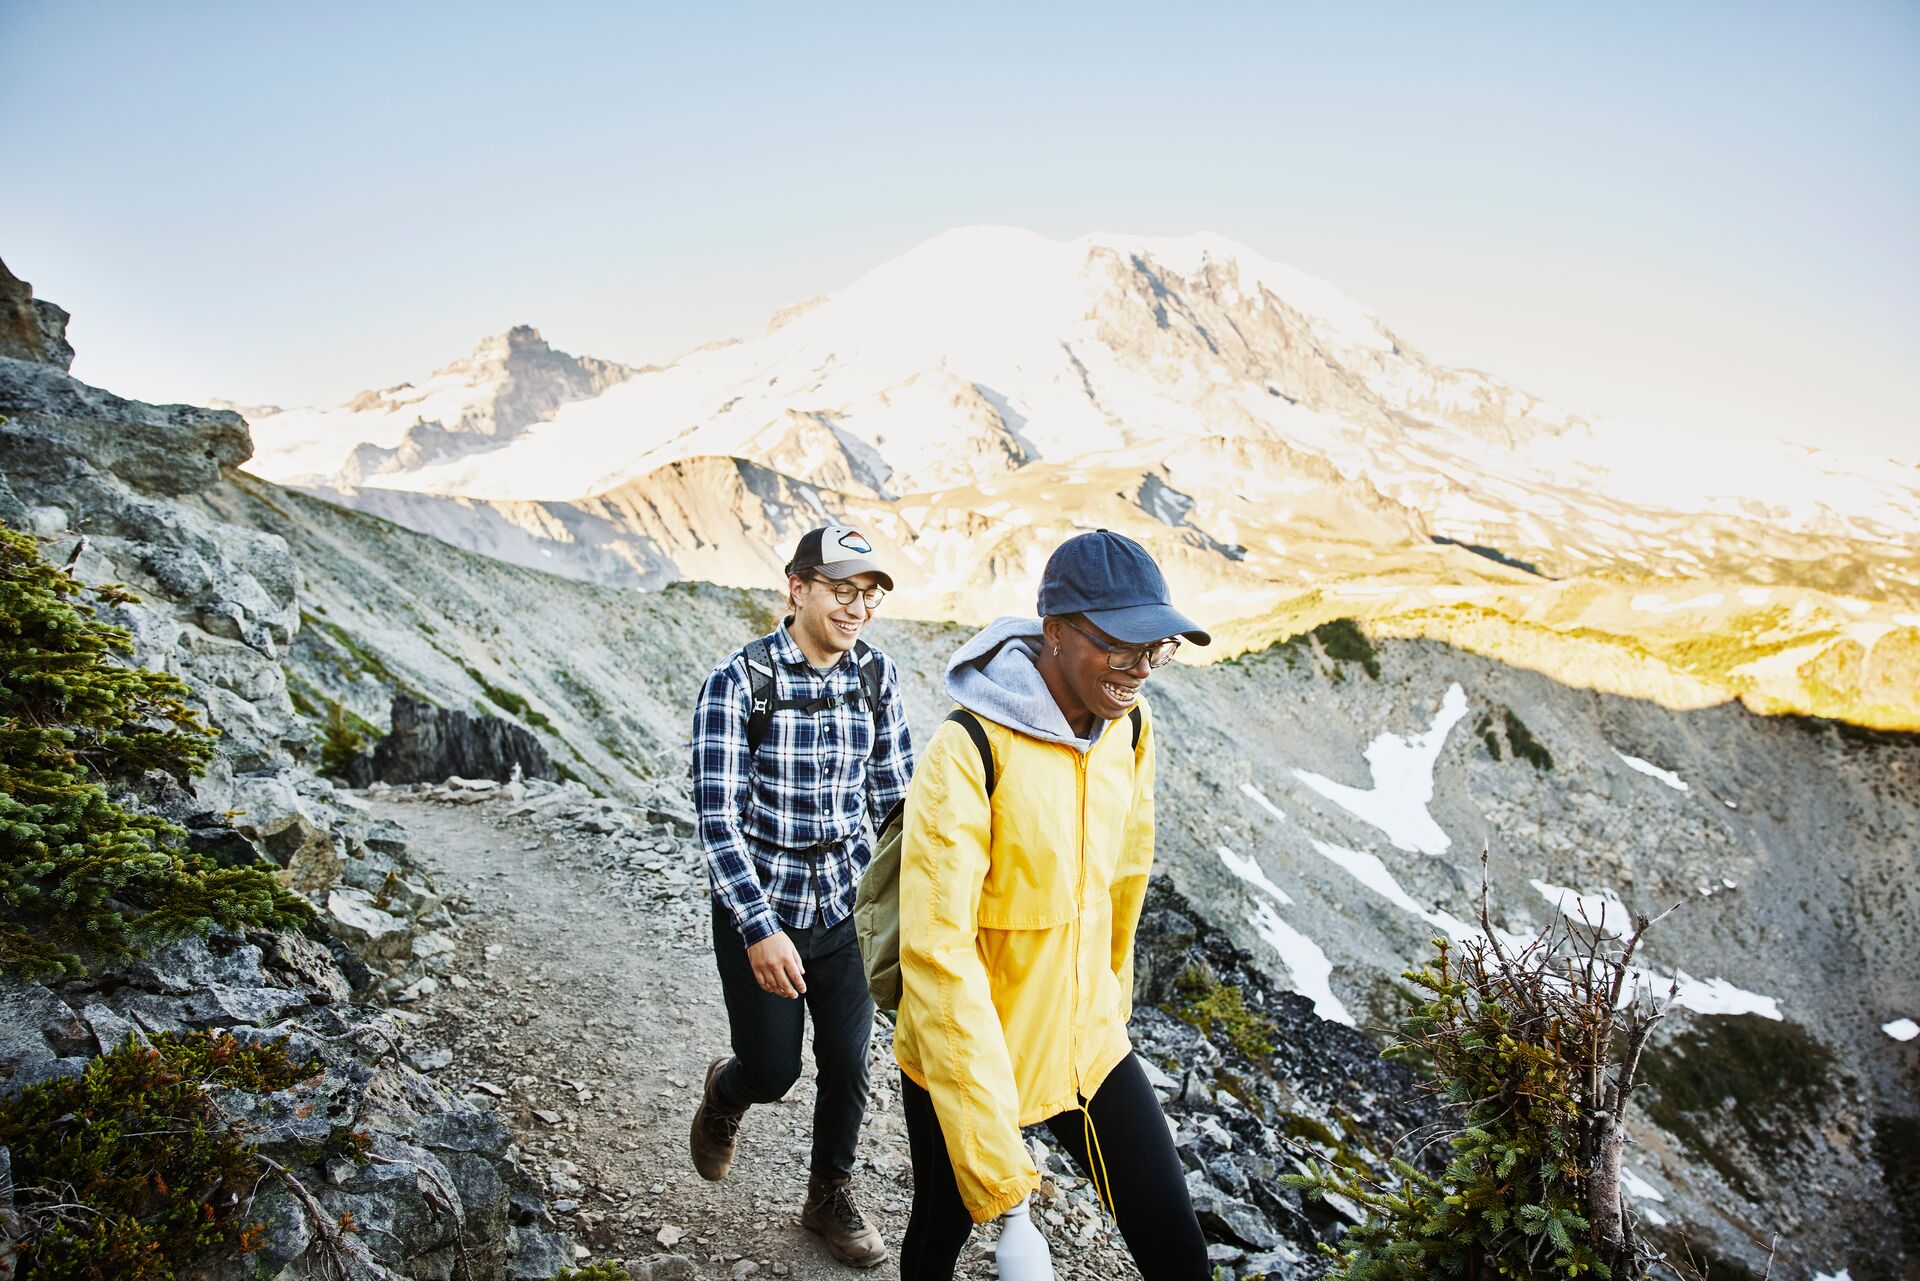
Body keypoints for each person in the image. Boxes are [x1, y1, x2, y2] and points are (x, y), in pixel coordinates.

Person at [892, 528, 1212, 1279]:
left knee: (1179, 1254)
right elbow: (938, 958)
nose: (1139, 671)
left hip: (1088, 1044)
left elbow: (1125, 878)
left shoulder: (1128, 728)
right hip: (969, 1052)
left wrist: (1111, 1004)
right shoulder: (967, 750)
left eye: (1156, 651)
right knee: (938, 1235)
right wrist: (1009, 1193)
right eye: (1121, 648)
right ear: (1057, 630)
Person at [689, 524, 914, 1269]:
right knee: (775, 1068)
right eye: (842, 591)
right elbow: (717, 821)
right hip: (764, 909)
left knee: (851, 1061)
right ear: (798, 587)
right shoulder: (739, 681)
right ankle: (727, 1091)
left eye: (869, 595)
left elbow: (894, 801)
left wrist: (919, 894)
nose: (857, 609)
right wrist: (758, 927)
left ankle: (828, 1195)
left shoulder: (876, 677)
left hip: (847, 909)